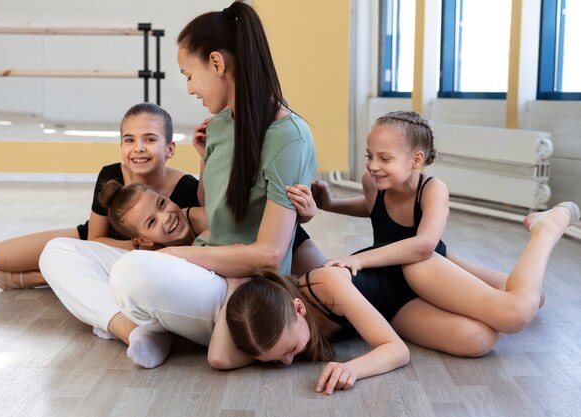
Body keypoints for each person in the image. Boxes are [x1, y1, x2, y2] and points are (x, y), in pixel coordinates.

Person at [101, 0, 317, 368]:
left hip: (245, 282)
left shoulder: (289, 136)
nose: (189, 89)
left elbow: (268, 254)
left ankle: (153, 326)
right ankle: (152, 327)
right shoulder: (218, 124)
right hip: (207, 266)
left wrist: (172, 254)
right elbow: (213, 206)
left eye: (188, 74)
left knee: (130, 272)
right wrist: (204, 157)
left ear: (217, 63)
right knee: (64, 253)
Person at [222, 202, 580, 395]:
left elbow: (396, 350)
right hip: (395, 308)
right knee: (480, 339)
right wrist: (231, 287)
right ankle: (471, 275)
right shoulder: (269, 327)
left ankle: (546, 227)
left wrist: (353, 368)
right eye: (276, 360)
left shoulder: (327, 284)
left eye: (288, 350)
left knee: (519, 311)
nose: (287, 363)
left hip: (411, 269)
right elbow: (220, 357)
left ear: (298, 308)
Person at [0, 103, 198, 289]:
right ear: (121, 147)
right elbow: (94, 238)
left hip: (146, 257)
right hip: (102, 243)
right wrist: (133, 246)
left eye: (150, 139)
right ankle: (61, 274)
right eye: (129, 140)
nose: (139, 148)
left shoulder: (187, 187)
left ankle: (43, 278)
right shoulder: (111, 175)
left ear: (170, 149)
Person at [310, 110, 508, 290]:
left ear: (416, 160)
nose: (373, 166)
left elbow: (424, 245)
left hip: (432, 266)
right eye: (369, 156)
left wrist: (359, 259)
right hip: (391, 269)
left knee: (511, 288)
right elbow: (376, 209)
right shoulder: (371, 181)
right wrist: (329, 204)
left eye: (385, 158)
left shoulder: (433, 190)